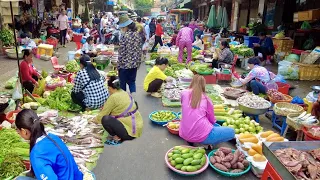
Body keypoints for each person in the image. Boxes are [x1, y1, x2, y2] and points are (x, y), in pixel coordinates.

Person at [15, 109, 83, 180]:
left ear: (24, 131)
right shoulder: (52, 136)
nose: (18, 132)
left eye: (17, 130)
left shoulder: (37, 154)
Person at [179, 75, 235, 146]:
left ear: (192, 82)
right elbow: (211, 119)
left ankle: (191, 140)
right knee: (231, 132)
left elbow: (185, 108)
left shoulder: (183, 93)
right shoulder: (206, 99)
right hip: (202, 136)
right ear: (204, 85)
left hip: (184, 133)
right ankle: (209, 143)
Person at [94, 76, 143, 145]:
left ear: (110, 88)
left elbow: (102, 115)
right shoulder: (124, 92)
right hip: (138, 127)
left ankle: (117, 137)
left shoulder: (113, 97)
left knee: (105, 119)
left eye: (108, 88)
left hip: (129, 133)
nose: (108, 90)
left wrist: (93, 119)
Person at [118, 14, 142, 94]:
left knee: (122, 84)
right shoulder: (137, 35)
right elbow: (139, 51)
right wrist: (138, 63)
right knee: (132, 82)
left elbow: (121, 52)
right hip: (134, 64)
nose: (122, 29)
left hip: (124, 65)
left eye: (122, 27)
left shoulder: (124, 36)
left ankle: (124, 102)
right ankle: (134, 101)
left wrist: (118, 65)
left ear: (126, 27)